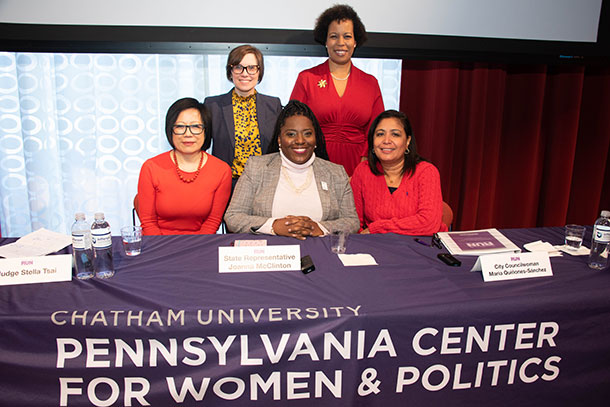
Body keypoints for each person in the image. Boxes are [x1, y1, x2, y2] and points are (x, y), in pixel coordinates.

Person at [224, 100, 359, 239]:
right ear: (279, 139)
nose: (300, 140)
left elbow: (352, 221)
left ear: (316, 138)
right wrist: (273, 226)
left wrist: (319, 227)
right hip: (271, 255)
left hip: (321, 253)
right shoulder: (256, 168)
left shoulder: (336, 173)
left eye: (307, 133)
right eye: (291, 134)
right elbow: (233, 217)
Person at [290, 4, 384, 177]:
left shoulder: (370, 83)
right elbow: (293, 126)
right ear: (325, 41)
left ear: (355, 41)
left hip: (359, 168)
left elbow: (377, 130)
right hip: (313, 166)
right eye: (334, 36)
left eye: (347, 36)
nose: (341, 43)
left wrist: (362, 168)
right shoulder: (307, 79)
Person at [137, 97, 232, 235]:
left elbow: (212, 222)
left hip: (200, 245)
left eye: (196, 127)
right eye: (180, 127)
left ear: (206, 131)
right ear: (170, 130)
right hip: (158, 244)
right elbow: (148, 222)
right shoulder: (151, 167)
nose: (188, 134)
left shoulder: (221, 170)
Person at [350, 110, 448, 235]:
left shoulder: (426, 172)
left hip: (421, 245)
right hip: (376, 245)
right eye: (380, 134)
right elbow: (354, 221)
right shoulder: (363, 171)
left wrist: (379, 228)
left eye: (395, 135)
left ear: (407, 141)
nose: (386, 140)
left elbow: (428, 224)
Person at [204, 45, 282, 189]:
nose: (245, 73)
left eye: (252, 68)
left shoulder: (273, 105)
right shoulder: (213, 105)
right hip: (227, 185)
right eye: (238, 67)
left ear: (259, 71)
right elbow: (201, 148)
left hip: (264, 185)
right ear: (230, 71)